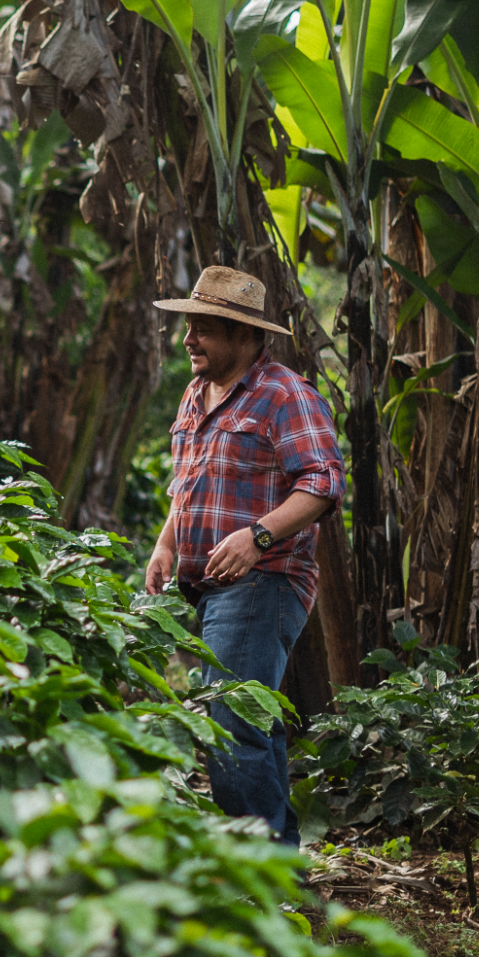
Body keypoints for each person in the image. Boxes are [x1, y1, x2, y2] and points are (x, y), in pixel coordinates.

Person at [145, 265, 344, 845]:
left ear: (245, 335)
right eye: (189, 326)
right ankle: (278, 867)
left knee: (231, 723)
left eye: (203, 328)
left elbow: (323, 483)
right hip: (208, 588)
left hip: (265, 582)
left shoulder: (284, 394)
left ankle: (256, 867)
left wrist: (258, 537)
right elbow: (188, 485)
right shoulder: (195, 394)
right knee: (249, 719)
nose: (189, 339)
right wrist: (166, 543)